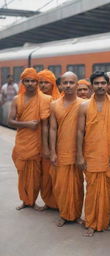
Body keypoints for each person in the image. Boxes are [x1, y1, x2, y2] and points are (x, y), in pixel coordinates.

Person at [76, 71, 110, 237]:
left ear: (108, 85)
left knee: (107, 191)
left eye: (103, 83)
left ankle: (103, 221)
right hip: (91, 154)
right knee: (93, 190)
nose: (101, 86)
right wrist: (79, 156)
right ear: (92, 86)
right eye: (97, 83)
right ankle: (90, 222)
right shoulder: (84, 106)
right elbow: (80, 132)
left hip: (109, 155)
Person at [8, 68, 51, 210]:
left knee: (35, 175)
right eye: (27, 81)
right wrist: (26, 124)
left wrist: (46, 146)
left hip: (37, 143)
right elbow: (10, 121)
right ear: (23, 82)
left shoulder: (45, 99)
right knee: (22, 173)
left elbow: (46, 125)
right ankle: (25, 201)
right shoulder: (16, 99)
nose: (30, 83)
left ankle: (32, 201)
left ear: (37, 82)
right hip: (22, 142)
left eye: (33, 81)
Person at [50, 71, 84, 227]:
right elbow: (52, 129)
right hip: (61, 151)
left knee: (77, 185)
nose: (69, 85)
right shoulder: (54, 105)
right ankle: (64, 214)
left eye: (72, 83)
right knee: (61, 186)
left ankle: (76, 214)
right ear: (60, 85)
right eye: (66, 83)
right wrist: (52, 151)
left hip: (79, 152)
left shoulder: (84, 104)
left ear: (77, 85)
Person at [38, 69, 60, 210]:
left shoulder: (57, 101)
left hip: (54, 144)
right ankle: (47, 201)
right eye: (41, 82)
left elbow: (51, 127)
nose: (44, 85)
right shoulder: (35, 99)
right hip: (35, 143)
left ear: (53, 85)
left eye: (47, 82)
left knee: (54, 176)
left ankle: (57, 203)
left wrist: (48, 147)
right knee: (44, 177)